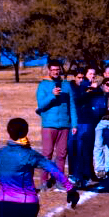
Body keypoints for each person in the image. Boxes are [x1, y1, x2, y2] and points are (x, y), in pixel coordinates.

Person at [35, 60, 77, 189]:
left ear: (60, 70)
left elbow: (72, 106)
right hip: (49, 125)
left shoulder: (66, 85)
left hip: (64, 125)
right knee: (47, 154)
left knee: (62, 154)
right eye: (53, 70)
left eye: (57, 69)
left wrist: (74, 124)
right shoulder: (43, 85)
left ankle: (60, 181)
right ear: (49, 70)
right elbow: (41, 105)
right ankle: (44, 180)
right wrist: (52, 96)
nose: (55, 72)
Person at [69, 66, 103, 186]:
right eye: (90, 74)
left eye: (94, 74)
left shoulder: (96, 88)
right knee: (78, 149)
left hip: (90, 121)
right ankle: (77, 175)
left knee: (86, 149)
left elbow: (101, 102)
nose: (92, 76)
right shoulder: (80, 86)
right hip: (79, 121)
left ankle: (86, 175)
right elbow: (77, 99)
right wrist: (89, 91)